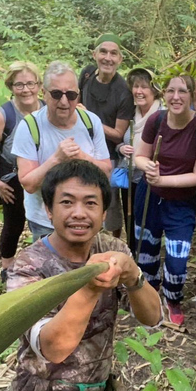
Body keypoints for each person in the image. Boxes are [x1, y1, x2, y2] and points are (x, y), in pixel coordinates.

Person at [0, 160, 162, 391]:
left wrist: (133, 275)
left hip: (93, 388)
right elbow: (53, 348)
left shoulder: (111, 248)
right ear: (48, 210)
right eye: (67, 202)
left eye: (90, 203)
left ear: (104, 212)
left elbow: (152, 318)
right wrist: (90, 287)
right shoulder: (30, 267)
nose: (79, 213)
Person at [134, 72, 196, 326]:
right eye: (171, 91)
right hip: (149, 195)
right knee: (146, 250)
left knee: (177, 259)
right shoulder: (156, 119)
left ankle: (172, 298)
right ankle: (148, 296)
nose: (176, 97)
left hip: (180, 201)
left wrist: (163, 180)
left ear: (191, 95)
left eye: (182, 91)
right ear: (164, 94)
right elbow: (140, 156)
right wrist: (149, 168)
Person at [13, 61, 112, 241]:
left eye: (71, 95)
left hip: (86, 219)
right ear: (44, 93)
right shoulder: (29, 126)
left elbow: (106, 173)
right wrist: (57, 159)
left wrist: (81, 157)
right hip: (45, 221)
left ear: (78, 95)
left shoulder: (91, 122)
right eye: (57, 94)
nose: (64, 102)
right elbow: (28, 184)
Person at [0, 61, 44, 281]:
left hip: (43, 174)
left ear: (39, 85)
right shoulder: (5, 115)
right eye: (19, 85)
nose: (26, 90)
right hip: (13, 178)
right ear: (11, 87)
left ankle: (45, 265)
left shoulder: (47, 109)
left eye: (31, 83)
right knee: (14, 223)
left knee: (45, 221)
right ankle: (7, 269)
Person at [78, 33, 135, 239]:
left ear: (120, 59)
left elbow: (118, 134)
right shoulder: (86, 75)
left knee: (110, 203)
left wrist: (89, 118)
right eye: (103, 52)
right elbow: (76, 101)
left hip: (109, 155)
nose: (108, 58)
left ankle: (113, 242)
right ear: (94, 54)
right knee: (83, 196)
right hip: (81, 149)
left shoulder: (124, 91)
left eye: (113, 53)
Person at [117, 67, 163, 253]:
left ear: (154, 90)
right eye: (136, 86)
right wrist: (121, 148)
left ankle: (147, 258)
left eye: (144, 87)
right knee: (130, 220)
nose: (139, 91)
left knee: (148, 222)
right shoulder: (131, 113)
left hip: (150, 177)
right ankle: (131, 256)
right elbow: (121, 140)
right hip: (130, 177)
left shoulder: (162, 114)